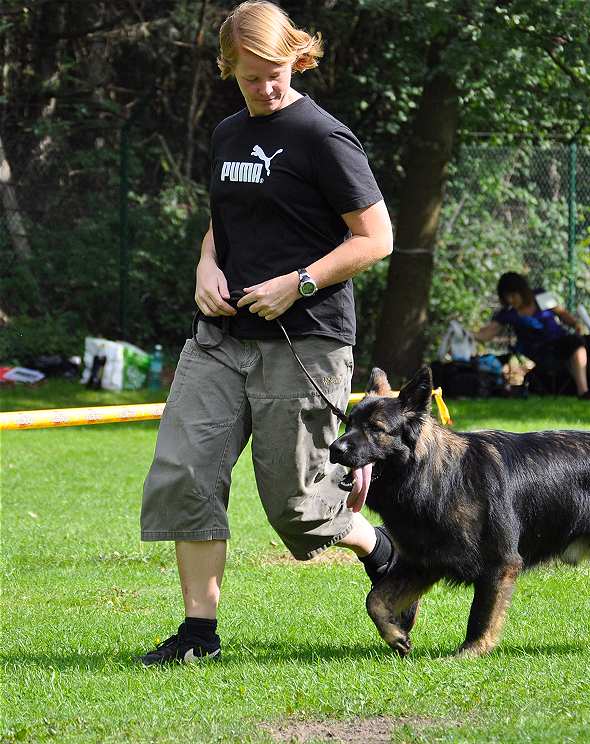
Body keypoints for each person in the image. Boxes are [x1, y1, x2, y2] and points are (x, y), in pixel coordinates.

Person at [139, 1, 404, 665]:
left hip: (305, 340)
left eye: (276, 73)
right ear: (227, 68)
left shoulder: (322, 136)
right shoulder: (228, 134)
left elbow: (375, 238)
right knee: (184, 474)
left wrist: (299, 282)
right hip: (219, 339)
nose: (266, 87)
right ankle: (198, 634)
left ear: (298, 59)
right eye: (250, 76)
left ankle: (382, 548)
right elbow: (223, 220)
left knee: (299, 510)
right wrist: (206, 266)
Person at [475, 272, 590, 399]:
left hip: (562, 340)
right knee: (575, 343)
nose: (510, 300)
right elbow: (488, 333)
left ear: (522, 291)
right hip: (543, 351)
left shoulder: (540, 296)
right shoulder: (507, 313)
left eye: (513, 295)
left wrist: (576, 324)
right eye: (506, 297)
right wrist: (470, 335)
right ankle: (583, 392)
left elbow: (561, 313)